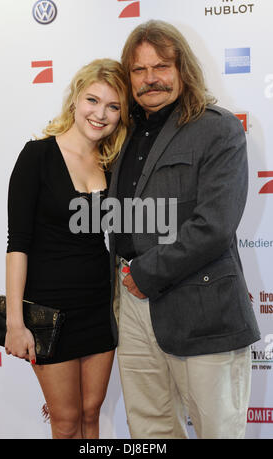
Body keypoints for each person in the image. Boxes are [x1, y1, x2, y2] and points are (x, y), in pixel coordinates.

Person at [108, 20, 260, 439]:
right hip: (132, 307)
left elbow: (214, 226)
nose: (150, 78)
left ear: (183, 69)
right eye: (138, 70)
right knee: (149, 431)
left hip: (201, 304)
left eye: (161, 66)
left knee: (218, 431)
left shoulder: (218, 128)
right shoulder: (124, 134)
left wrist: (143, 274)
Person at [5, 58, 129, 439]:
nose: (100, 114)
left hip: (98, 306)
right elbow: (17, 244)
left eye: (113, 106)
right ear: (75, 99)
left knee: (91, 415)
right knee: (66, 420)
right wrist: (15, 322)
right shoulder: (36, 156)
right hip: (48, 311)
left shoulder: (112, 163)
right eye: (93, 100)